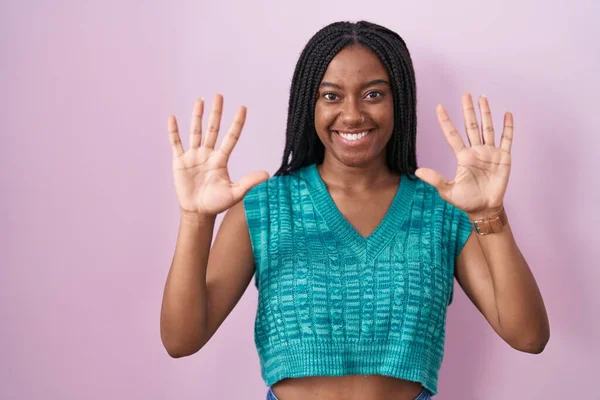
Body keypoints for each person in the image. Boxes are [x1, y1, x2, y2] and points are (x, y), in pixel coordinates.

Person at [160, 20, 550, 400]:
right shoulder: (264, 207)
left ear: (399, 101)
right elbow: (181, 340)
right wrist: (196, 219)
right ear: (307, 105)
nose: (351, 115)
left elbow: (528, 336)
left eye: (373, 94)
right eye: (331, 96)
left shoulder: (441, 210)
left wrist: (489, 213)